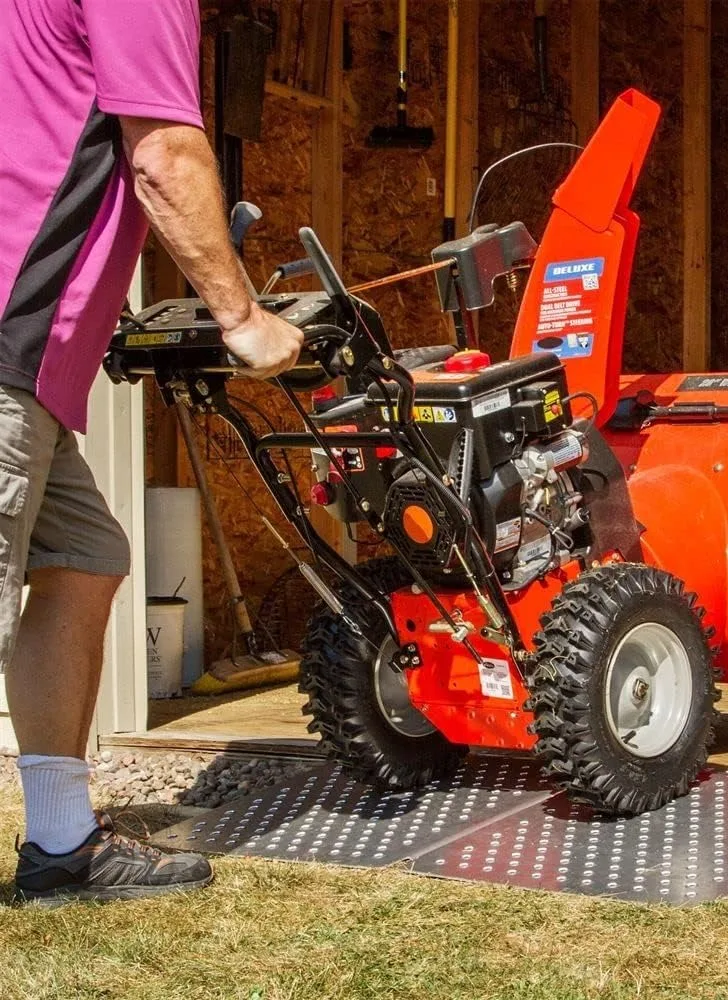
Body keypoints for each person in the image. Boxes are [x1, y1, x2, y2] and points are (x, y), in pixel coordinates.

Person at [1, 0, 304, 904]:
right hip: (9, 348)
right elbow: (162, 156)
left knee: (85, 558)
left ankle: (61, 848)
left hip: (38, 367)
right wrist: (241, 316)